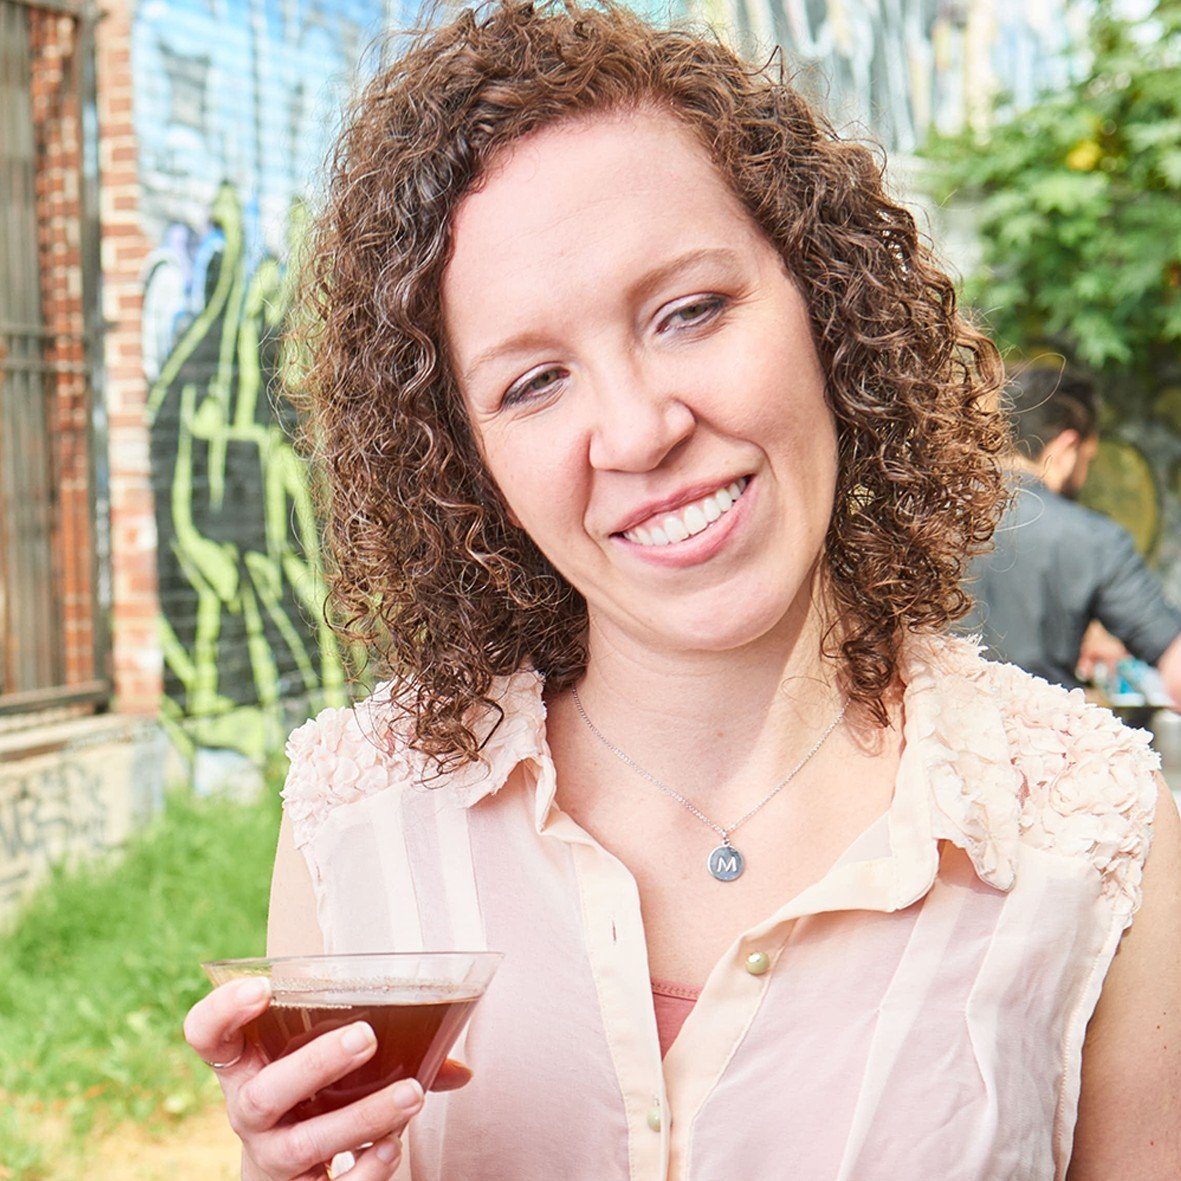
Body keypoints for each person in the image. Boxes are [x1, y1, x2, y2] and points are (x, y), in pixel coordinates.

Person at [183, 3, 1181, 1178]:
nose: (640, 428)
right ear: (465, 460)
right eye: (534, 381)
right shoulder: (358, 827)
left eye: (689, 311)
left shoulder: (1094, 836)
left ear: (824, 303)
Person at [963, 364, 1181, 699]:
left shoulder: (925, 522)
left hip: (933, 740)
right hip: (1038, 741)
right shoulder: (1094, 540)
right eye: (1087, 460)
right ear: (1067, 447)